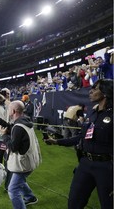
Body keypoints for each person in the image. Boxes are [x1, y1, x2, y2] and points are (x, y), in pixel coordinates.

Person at [45, 79, 113, 208]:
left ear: (105, 92)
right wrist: (56, 141)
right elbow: (81, 137)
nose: (91, 91)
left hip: (106, 168)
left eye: (95, 88)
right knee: (74, 203)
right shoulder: (92, 113)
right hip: (85, 164)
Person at [2, 100, 41, 209]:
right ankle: (30, 197)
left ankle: (28, 199)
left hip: (23, 164)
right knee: (20, 181)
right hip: (30, 160)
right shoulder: (25, 121)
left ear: (13, 111)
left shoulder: (18, 126)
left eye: (9, 109)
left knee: (13, 189)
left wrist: (4, 136)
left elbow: (14, 148)